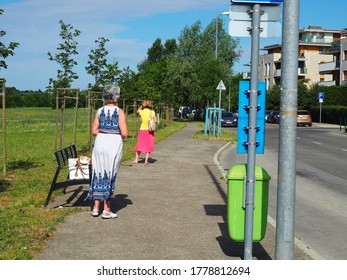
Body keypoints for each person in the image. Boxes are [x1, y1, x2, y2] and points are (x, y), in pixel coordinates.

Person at [87, 84, 128, 219]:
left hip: (100, 143)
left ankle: (95, 208)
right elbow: (125, 133)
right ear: (117, 97)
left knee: (98, 172)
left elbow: (93, 131)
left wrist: (104, 132)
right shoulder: (119, 111)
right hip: (113, 144)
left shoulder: (99, 111)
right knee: (109, 173)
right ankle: (107, 209)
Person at [133, 100, 157, 165]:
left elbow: (137, 112)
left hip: (142, 130)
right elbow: (155, 121)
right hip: (149, 130)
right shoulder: (152, 112)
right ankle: (146, 161)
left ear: (144, 105)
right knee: (148, 145)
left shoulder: (142, 112)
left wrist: (140, 107)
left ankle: (136, 160)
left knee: (139, 144)